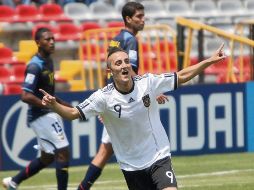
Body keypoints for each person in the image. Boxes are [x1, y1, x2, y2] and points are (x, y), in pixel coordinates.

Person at [40, 44, 226, 190]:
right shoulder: (103, 98)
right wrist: (55, 105)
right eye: (118, 63)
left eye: (126, 61)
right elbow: (73, 114)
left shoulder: (148, 83)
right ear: (110, 71)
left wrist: (209, 60)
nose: (124, 66)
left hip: (158, 156)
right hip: (131, 166)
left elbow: (182, 75)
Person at [78, 2, 168, 189]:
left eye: (143, 16)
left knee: (104, 152)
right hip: (124, 102)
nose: (143, 20)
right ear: (128, 19)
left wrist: (105, 103)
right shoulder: (130, 40)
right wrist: (150, 90)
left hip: (113, 100)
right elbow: (130, 71)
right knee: (107, 152)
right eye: (139, 17)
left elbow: (108, 72)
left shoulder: (116, 39)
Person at [2, 28, 70, 190]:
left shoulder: (49, 61)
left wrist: (71, 108)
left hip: (46, 114)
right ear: (38, 43)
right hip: (41, 116)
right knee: (63, 151)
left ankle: (13, 182)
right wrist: (49, 106)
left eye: (53, 38)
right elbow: (25, 96)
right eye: (47, 39)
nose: (52, 42)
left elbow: (50, 95)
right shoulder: (35, 66)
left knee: (47, 158)